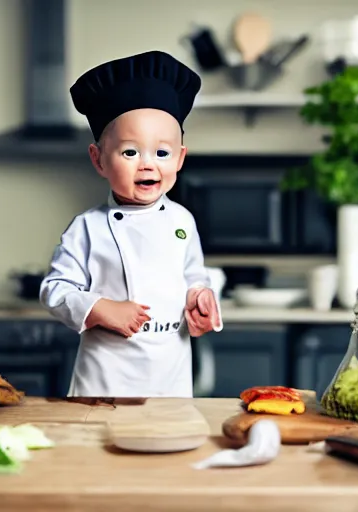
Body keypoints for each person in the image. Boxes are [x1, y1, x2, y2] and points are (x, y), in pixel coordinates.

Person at [40, 50, 223, 398]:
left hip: (170, 373)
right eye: (129, 152)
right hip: (107, 374)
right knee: (101, 445)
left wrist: (200, 299)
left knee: (167, 443)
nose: (147, 165)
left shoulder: (183, 220)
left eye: (162, 153)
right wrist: (99, 308)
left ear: (180, 158)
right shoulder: (86, 228)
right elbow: (54, 289)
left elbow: (194, 275)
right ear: (99, 160)